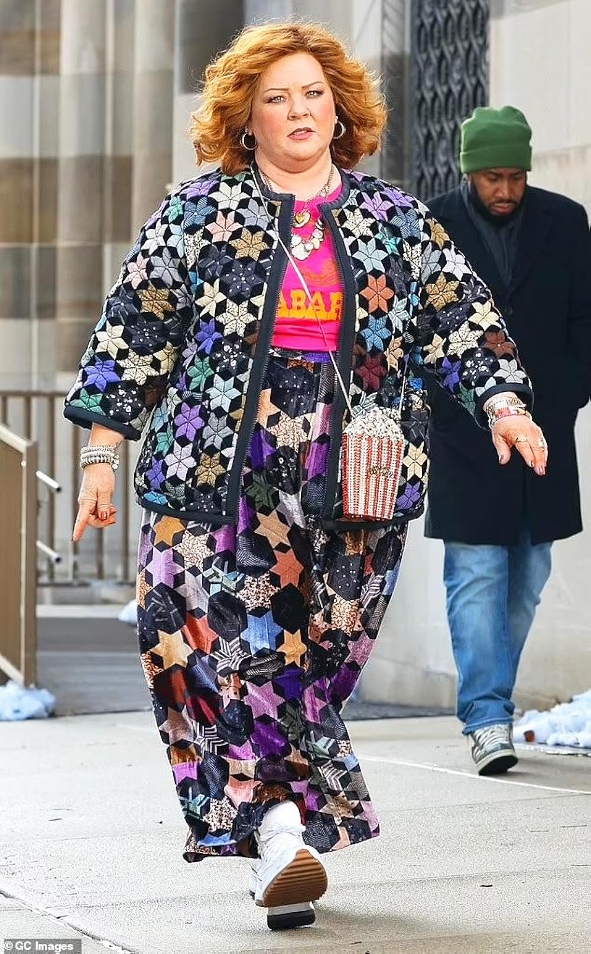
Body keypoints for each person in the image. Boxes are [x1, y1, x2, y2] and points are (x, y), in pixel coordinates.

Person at [64, 27, 546, 931]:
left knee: (322, 654)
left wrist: (502, 402)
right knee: (237, 640)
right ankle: (282, 836)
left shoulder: (394, 217)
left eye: (314, 94)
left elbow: (457, 315)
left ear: (339, 110)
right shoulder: (197, 212)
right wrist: (100, 455)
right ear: (245, 117)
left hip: (355, 465)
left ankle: (275, 832)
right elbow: (134, 331)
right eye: (278, 97)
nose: (299, 111)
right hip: (221, 462)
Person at [425, 105, 591, 777]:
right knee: (475, 575)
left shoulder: (566, 221)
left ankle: (492, 699)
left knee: (527, 579)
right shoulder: (433, 223)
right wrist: (445, 409)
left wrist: (565, 394)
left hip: (545, 431)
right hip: (465, 436)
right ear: (469, 172)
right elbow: (419, 325)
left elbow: (584, 317)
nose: (504, 189)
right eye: (492, 176)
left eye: (515, 176)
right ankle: (487, 717)